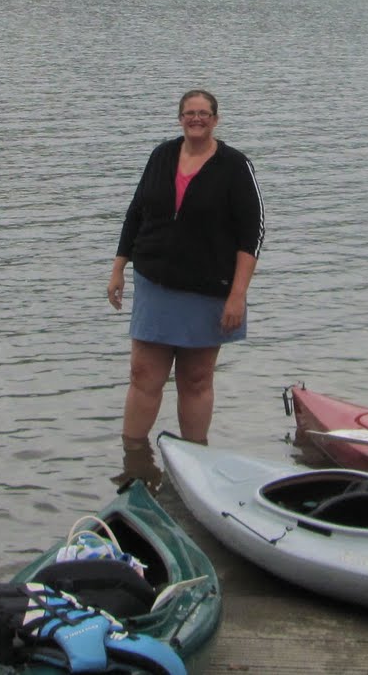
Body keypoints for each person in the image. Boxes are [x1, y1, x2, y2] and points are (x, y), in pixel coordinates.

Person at [107, 89, 264, 488]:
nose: (197, 119)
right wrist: (118, 268)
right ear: (180, 119)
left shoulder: (235, 166)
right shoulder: (162, 156)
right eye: (190, 113)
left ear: (216, 119)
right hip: (155, 282)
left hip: (208, 289)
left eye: (204, 114)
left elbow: (253, 234)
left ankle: (195, 467)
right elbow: (135, 212)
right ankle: (135, 463)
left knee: (195, 380)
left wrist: (237, 296)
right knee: (144, 374)